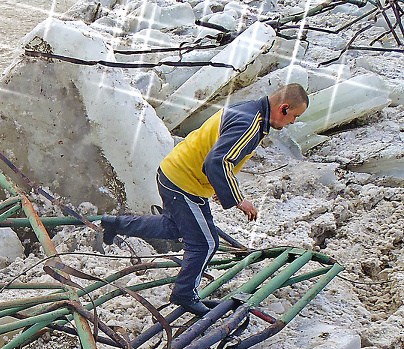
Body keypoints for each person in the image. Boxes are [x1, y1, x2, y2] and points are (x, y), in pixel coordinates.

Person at [99, 84, 309, 315]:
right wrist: (238, 198)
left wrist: (220, 185)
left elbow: (218, 153)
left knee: (172, 227)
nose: (293, 122)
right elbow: (217, 162)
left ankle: (115, 224)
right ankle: (184, 294)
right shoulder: (250, 122)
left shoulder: (251, 111)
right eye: (294, 117)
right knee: (205, 243)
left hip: (179, 174)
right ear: (284, 108)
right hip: (183, 182)